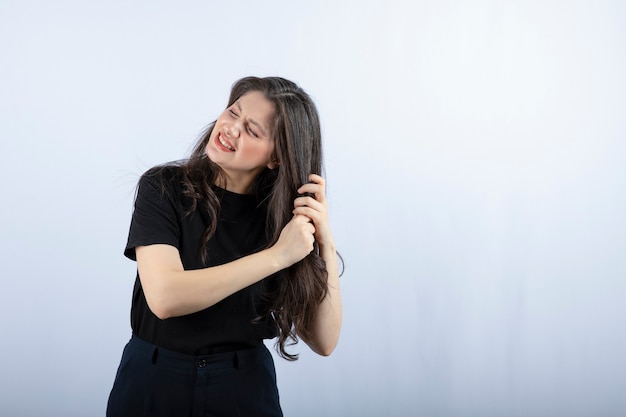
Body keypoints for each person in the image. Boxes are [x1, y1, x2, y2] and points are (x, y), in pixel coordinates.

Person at [106, 76, 342, 417]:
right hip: (153, 378)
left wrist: (325, 241)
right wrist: (277, 256)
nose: (231, 128)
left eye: (252, 130)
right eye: (233, 112)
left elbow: (325, 341)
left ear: (276, 157)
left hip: (242, 385)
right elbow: (165, 297)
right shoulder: (163, 188)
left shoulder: (283, 222)